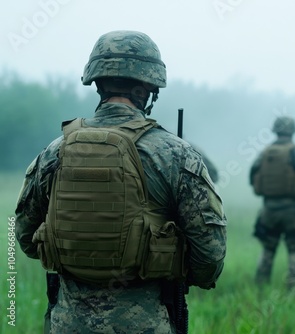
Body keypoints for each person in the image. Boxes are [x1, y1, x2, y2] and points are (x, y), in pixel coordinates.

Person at [15, 30, 227, 333]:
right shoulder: (175, 154)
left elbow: (24, 236)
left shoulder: (54, 151)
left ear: (97, 81)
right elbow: (210, 255)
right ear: (148, 87)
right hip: (146, 323)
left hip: (67, 323)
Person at [250, 116, 295, 291]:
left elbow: (253, 176)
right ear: (293, 131)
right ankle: (294, 290)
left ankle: (260, 287)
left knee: (267, 250)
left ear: (275, 130)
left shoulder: (264, 153)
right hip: (294, 210)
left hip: (268, 209)